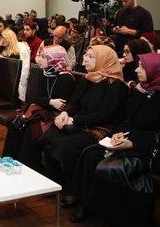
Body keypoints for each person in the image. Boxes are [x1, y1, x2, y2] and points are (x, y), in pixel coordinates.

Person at [71, 53, 160, 225]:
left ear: (159, 72)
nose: (136, 70)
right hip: (128, 141)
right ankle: (88, 204)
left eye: (142, 67)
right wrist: (119, 133)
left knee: (108, 165)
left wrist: (133, 142)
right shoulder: (141, 91)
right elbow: (126, 120)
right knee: (90, 154)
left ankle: (114, 214)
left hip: (151, 150)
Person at [38, 45, 128, 206]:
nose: (85, 59)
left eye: (91, 56)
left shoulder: (116, 85)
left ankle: (75, 191)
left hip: (102, 128)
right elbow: (74, 102)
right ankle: (54, 182)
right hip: (81, 122)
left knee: (66, 145)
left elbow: (105, 114)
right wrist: (65, 113)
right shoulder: (89, 78)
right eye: (86, 55)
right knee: (50, 136)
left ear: (104, 60)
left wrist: (75, 120)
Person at [3, 44, 76, 169]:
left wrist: (47, 102)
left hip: (56, 115)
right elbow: (36, 97)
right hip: (43, 109)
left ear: (54, 59)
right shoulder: (45, 72)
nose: (39, 59)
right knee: (14, 120)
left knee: (31, 127)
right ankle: (9, 160)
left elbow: (60, 106)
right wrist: (50, 101)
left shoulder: (66, 78)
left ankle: (26, 166)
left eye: (43, 57)